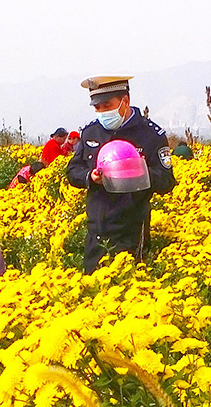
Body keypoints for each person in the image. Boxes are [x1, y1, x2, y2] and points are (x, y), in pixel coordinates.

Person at [66, 76, 176, 273]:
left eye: (107, 105)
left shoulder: (151, 135)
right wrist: (90, 177)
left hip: (132, 233)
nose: (101, 112)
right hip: (97, 231)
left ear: (125, 101)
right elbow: (73, 171)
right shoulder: (91, 132)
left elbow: (166, 180)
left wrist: (135, 173)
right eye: (97, 108)